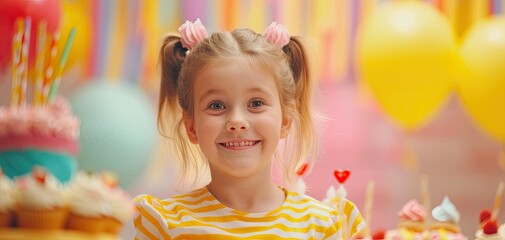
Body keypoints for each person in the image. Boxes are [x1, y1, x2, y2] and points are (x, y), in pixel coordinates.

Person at [133, 19, 366, 239]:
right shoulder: (163, 224)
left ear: (285, 120)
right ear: (191, 127)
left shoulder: (326, 225)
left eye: (256, 103)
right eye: (216, 105)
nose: (237, 121)